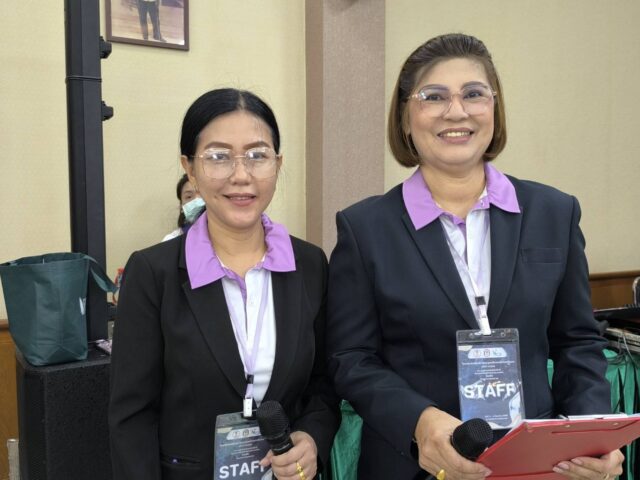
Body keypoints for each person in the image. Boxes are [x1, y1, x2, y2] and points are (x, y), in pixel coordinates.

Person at [326, 33, 624, 480]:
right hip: (416, 465)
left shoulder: (553, 212)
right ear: (405, 117)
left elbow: (577, 342)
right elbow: (351, 358)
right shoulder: (365, 228)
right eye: (433, 96)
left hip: (538, 465)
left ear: (494, 109)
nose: (456, 111)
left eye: (473, 94)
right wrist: (419, 422)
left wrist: (589, 435)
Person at [109, 88, 339, 480]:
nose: (241, 175)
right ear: (190, 168)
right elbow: (132, 417)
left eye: (257, 155)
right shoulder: (153, 273)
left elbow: (323, 385)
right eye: (218, 157)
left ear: (278, 164)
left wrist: (312, 436)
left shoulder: (310, 265)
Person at [162, 173, 201, 241]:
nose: (196, 200)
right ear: (181, 206)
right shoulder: (171, 240)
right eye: (189, 197)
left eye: (202, 194)